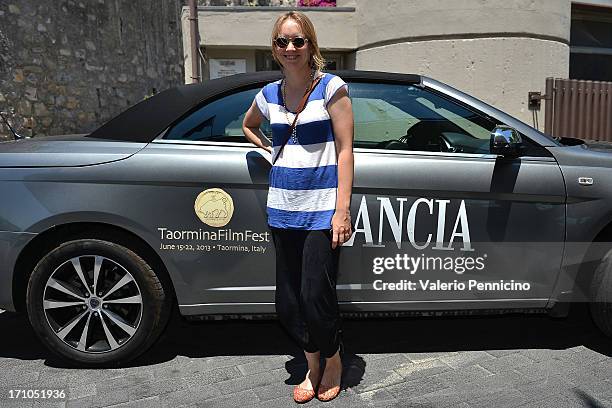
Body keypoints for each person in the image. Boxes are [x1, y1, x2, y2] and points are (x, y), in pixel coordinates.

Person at [242, 11, 354, 404]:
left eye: (298, 41)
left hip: (322, 210)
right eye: (282, 42)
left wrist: (341, 211)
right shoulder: (268, 95)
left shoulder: (331, 88)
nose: (290, 49)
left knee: (314, 295)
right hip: (282, 209)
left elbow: (344, 151)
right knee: (287, 301)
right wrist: (268, 150)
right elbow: (248, 124)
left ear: (311, 45)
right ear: (274, 48)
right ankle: (312, 364)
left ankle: (334, 360)